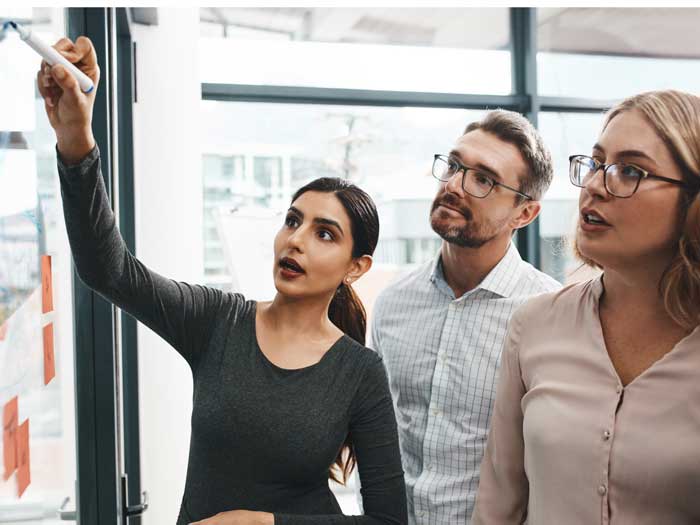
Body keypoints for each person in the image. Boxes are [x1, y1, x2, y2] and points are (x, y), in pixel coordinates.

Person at [37, 36, 407, 525]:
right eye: (292, 221)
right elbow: (109, 271)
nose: (295, 240)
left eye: (324, 234)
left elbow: (388, 520)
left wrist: (265, 524)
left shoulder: (359, 372)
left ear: (356, 267)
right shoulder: (219, 321)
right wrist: (75, 141)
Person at [472, 90, 700, 524]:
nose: (594, 185)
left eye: (630, 170)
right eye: (596, 164)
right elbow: (498, 507)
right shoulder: (535, 325)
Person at [366, 110, 561, 523]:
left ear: (523, 214)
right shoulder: (393, 304)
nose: (454, 185)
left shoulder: (553, 316)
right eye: (454, 166)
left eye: (483, 179)